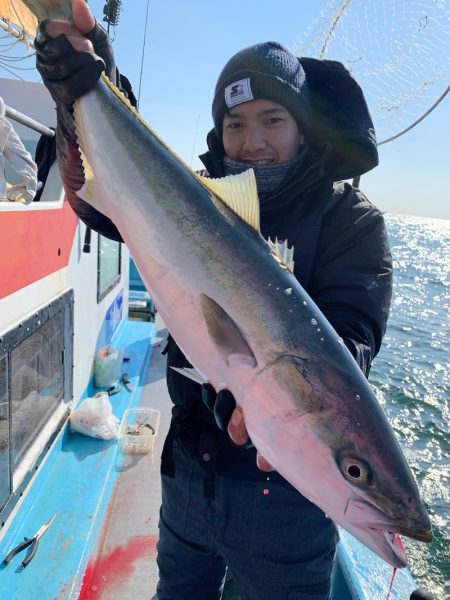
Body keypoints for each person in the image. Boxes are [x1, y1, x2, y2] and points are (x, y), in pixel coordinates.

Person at [36, 2, 393, 598]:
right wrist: (88, 90)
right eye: (235, 125)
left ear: (302, 126)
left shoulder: (349, 222)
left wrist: (277, 397)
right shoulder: (200, 200)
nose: (252, 142)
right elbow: (109, 200)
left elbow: (351, 336)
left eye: (272, 120)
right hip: (187, 471)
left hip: (283, 506)